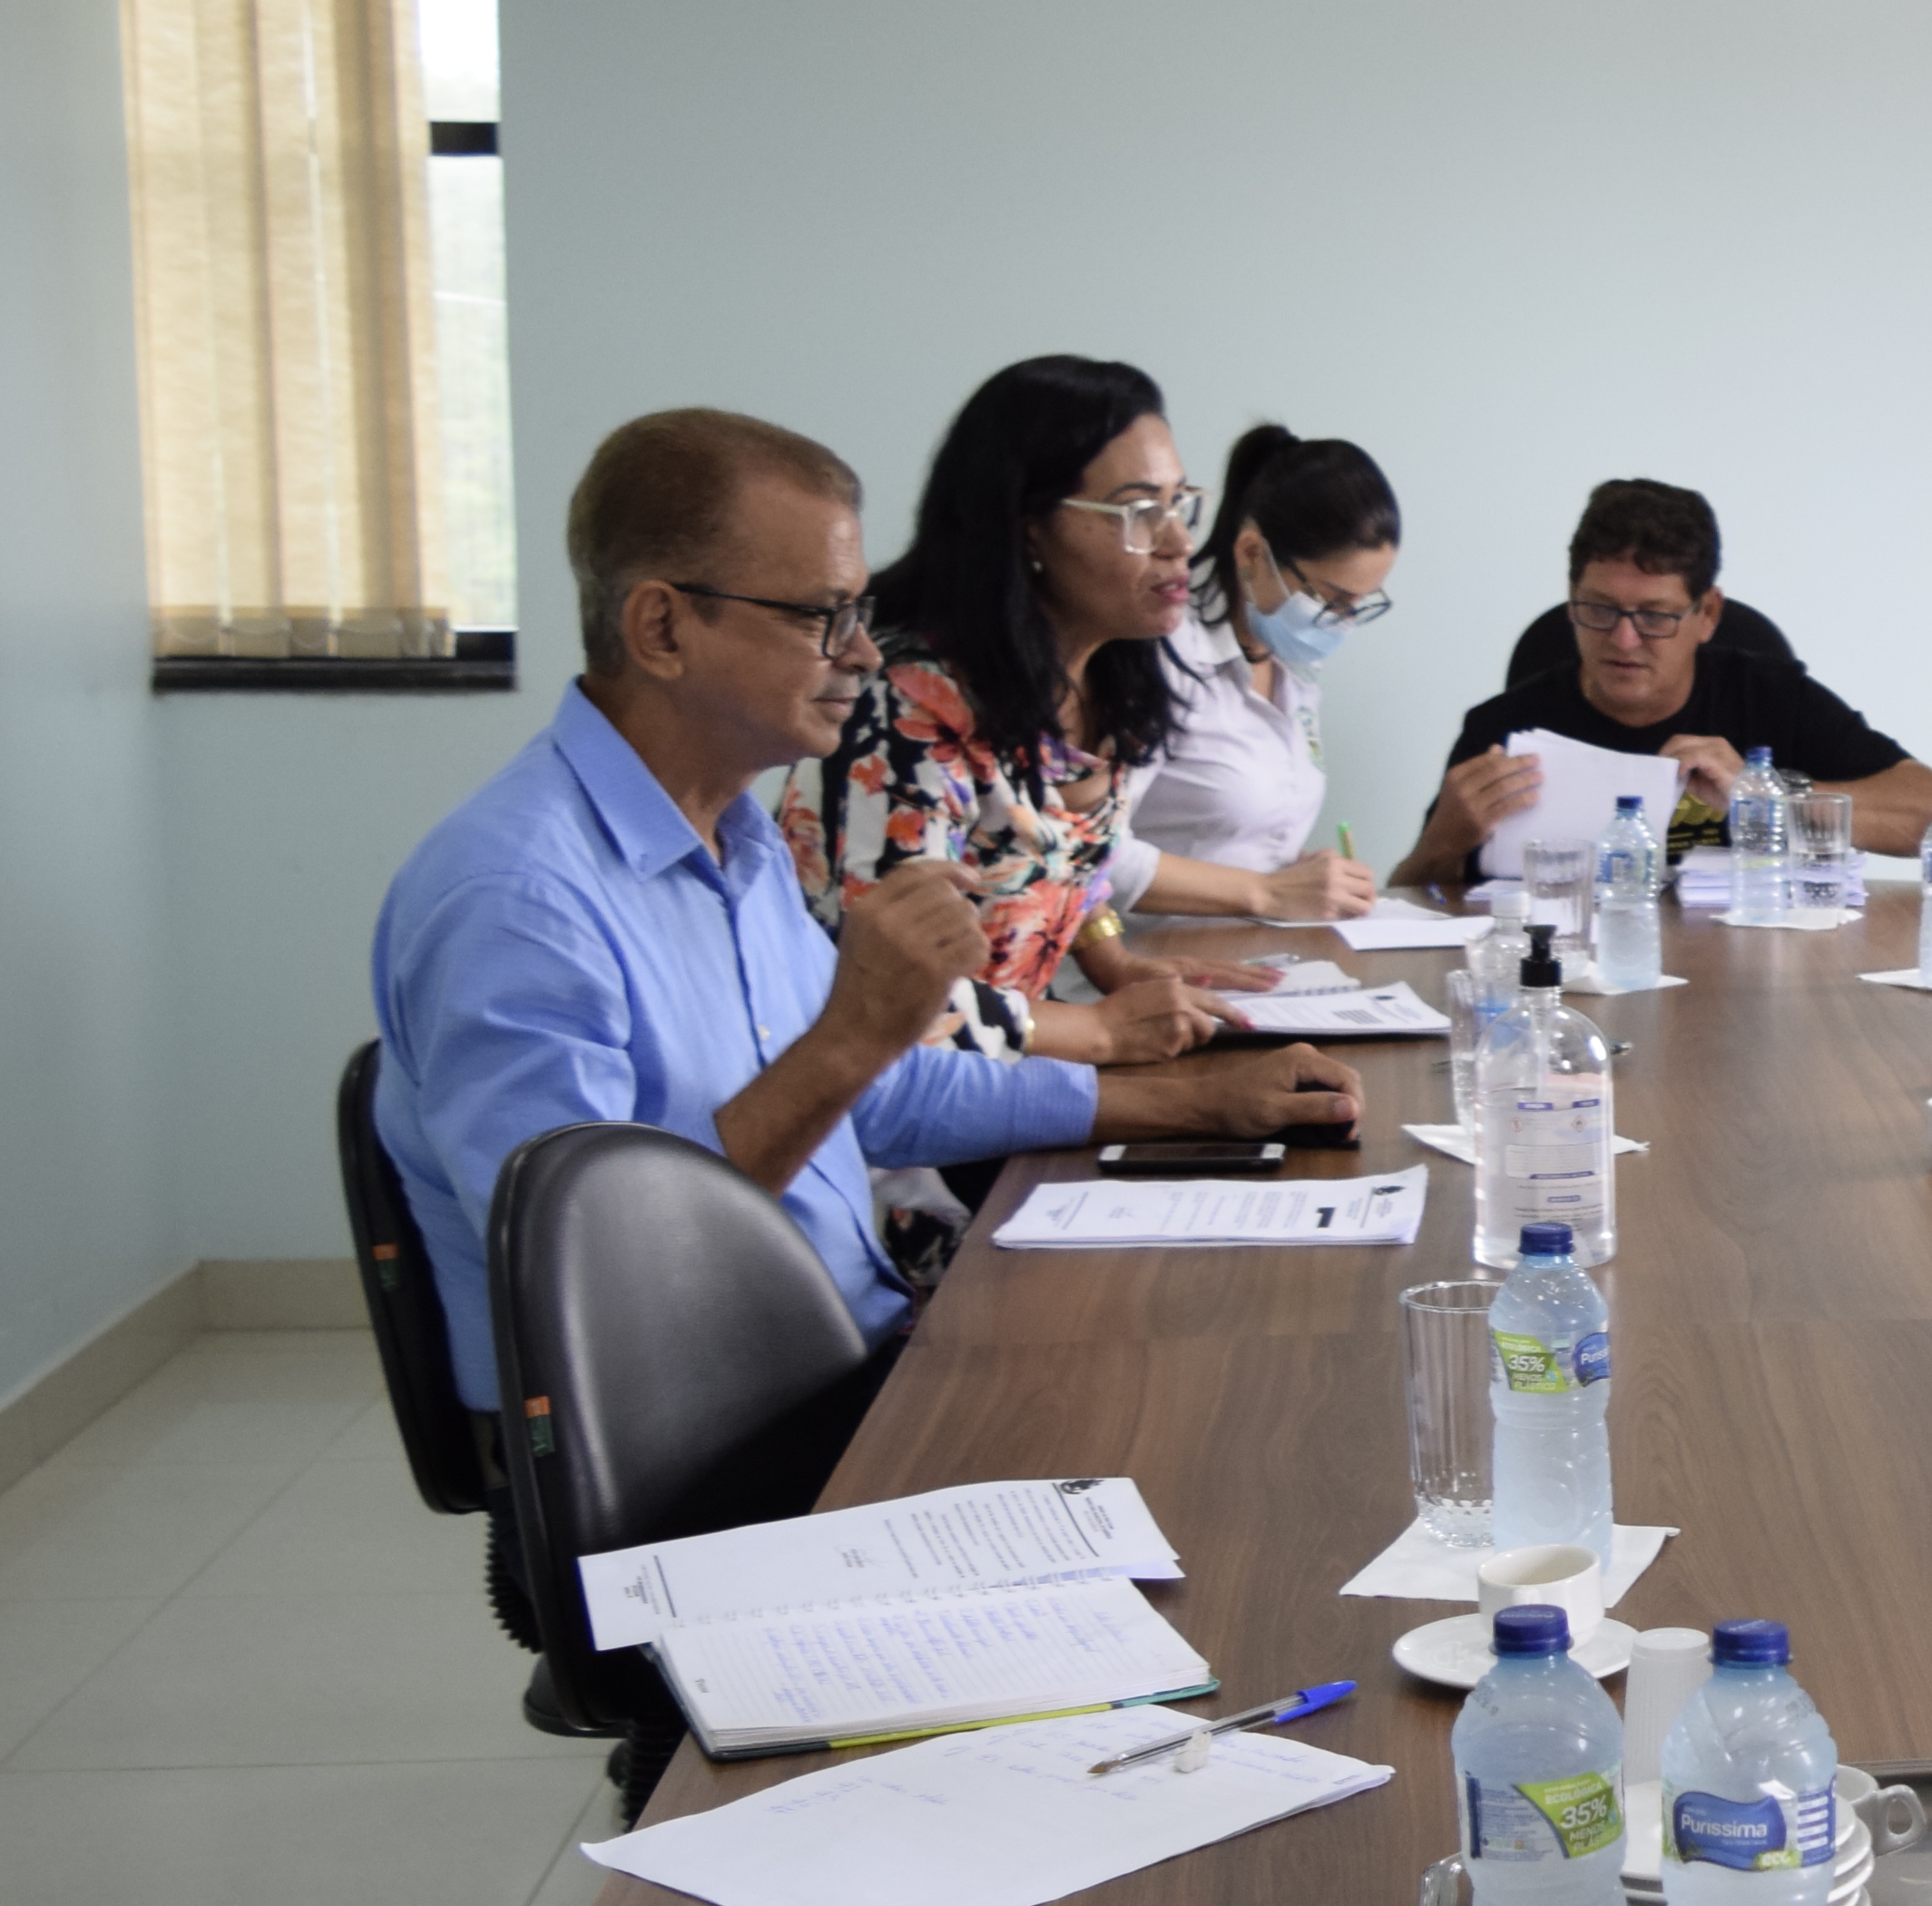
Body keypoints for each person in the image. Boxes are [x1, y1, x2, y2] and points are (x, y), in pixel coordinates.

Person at [373, 408, 1359, 1417]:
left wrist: (1200, 1104)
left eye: (856, 614)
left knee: (1243, 1360)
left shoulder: (733, 839)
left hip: (838, 1351)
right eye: (820, 618)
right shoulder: (516, 899)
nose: (862, 656)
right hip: (691, 1435)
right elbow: (592, 1268)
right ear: (662, 628)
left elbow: (882, 1096)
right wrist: (853, 1032)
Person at [782, 357, 1304, 1061]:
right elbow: (894, 1000)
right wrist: (1099, 1029)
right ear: (1028, 527)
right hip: (888, 1118)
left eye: (1180, 504)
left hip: (1016, 1072)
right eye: (1139, 512)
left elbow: (1063, 859)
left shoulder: (1114, 668)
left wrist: (1115, 964)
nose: (1180, 542)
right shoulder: (902, 706)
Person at [1401, 476, 1932, 889]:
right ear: (1570, 602)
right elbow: (1407, 896)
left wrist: (1767, 798)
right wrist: (1441, 842)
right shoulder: (1503, 726)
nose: (1623, 640)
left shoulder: (1769, 696)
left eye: (1655, 616)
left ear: (1707, 613)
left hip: (1745, 982)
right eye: (1599, 609)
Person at [1118, 419, 1402, 919]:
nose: (1341, 624)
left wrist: (1300, 875)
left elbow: (1238, 843)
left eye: (1358, 604)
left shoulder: (1293, 666)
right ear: (1252, 552)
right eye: (1329, 599)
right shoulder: (1162, 653)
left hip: (1256, 957)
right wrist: (1265, 890)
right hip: (1146, 964)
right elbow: (1094, 853)